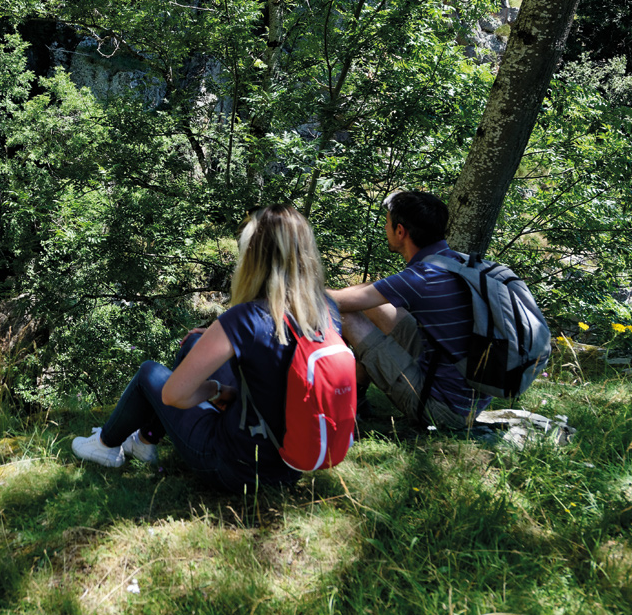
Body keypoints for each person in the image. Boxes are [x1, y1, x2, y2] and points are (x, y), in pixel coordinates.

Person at [68, 204, 336, 490]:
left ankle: (106, 445)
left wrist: (216, 390)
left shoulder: (246, 318)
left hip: (233, 466)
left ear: (254, 256)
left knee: (149, 373)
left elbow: (173, 395)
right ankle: (145, 441)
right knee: (195, 342)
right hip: (290, 466)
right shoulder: (326, 310)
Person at [325, 189, 486, 429]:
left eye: (388, 224)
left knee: (348, 316)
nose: (386, 230)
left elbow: (339, 303)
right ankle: (357, 397)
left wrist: (282, 289)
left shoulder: (422, 277)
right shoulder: (457, 262)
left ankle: (349, 401)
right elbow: (367, 296)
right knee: (374, 303)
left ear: (401, 232)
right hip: (467, 394)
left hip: (444, 411)